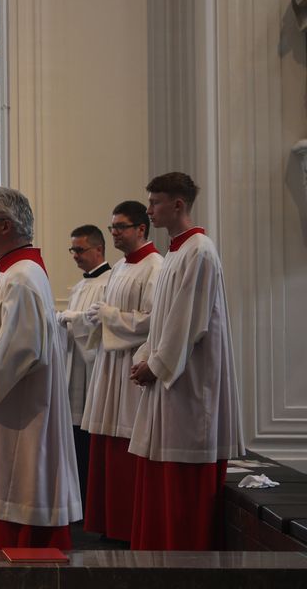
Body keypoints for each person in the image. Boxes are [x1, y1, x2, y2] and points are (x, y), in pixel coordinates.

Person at [0, 186, 82, 548]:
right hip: (14, 418)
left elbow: (12, 358)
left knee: (17, 534)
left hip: (20, 425)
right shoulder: (14, 275)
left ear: (6, 227)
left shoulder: (22, 279)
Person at [128, 172, 243, 550]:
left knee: (181, 495)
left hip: (190, 385)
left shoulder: (199, 251)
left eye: (155, 202)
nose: (149, 210)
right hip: (169, 379)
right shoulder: (176, 252)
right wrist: (146, 355)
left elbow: (187, 323)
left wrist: (155, 366)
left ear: (178, 204)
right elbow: (161, 318)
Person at [77, 200, 162, 543]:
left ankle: (128, 527)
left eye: (120, 227)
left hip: (131, 368)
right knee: (106, 445)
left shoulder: (155, 267)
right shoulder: (123, 268)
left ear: (141, 228)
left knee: (125, 448)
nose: (114, 233)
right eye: (111, 227)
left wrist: (109, 316)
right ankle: (110, 524)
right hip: (110, 367)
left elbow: (154, 321)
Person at [59, 224, 111, 507]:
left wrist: (72, 319)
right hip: (74, 366)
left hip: (94, 370)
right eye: (73, 250)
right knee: (76, 435)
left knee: (90, 437)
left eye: (80, 250)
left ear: (99, 249)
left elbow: (101, 325)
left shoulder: (110, 281)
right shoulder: (80, 285)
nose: (75, 256)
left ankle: (91, 500)